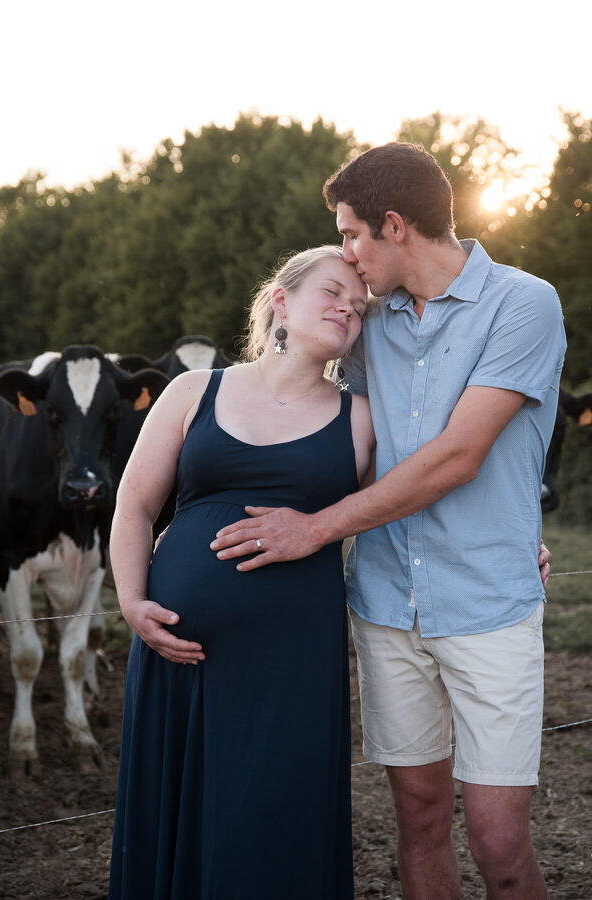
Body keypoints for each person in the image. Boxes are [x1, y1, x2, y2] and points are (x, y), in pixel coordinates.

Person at [210, 143, 566, 899]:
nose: (346, 253)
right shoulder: (369, 324)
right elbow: (336, 435)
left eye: (350, 233)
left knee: (500, 845)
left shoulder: (523, 302)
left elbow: (457, 456)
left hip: (487, 608)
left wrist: (313, 529)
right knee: (418, 817)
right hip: (384, 606)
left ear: (394, 226)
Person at [107, 245, 375, 900]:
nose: (348, 307)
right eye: (334, 291)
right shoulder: (194, 390)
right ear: (281, 300)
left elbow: (412, 505)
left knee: (272, 810)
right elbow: (135, 505)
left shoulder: (361, 420)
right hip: (178, 654)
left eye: (361, 307)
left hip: (292, 658)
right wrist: (132, 601)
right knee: (175, 814)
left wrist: (517, 542)